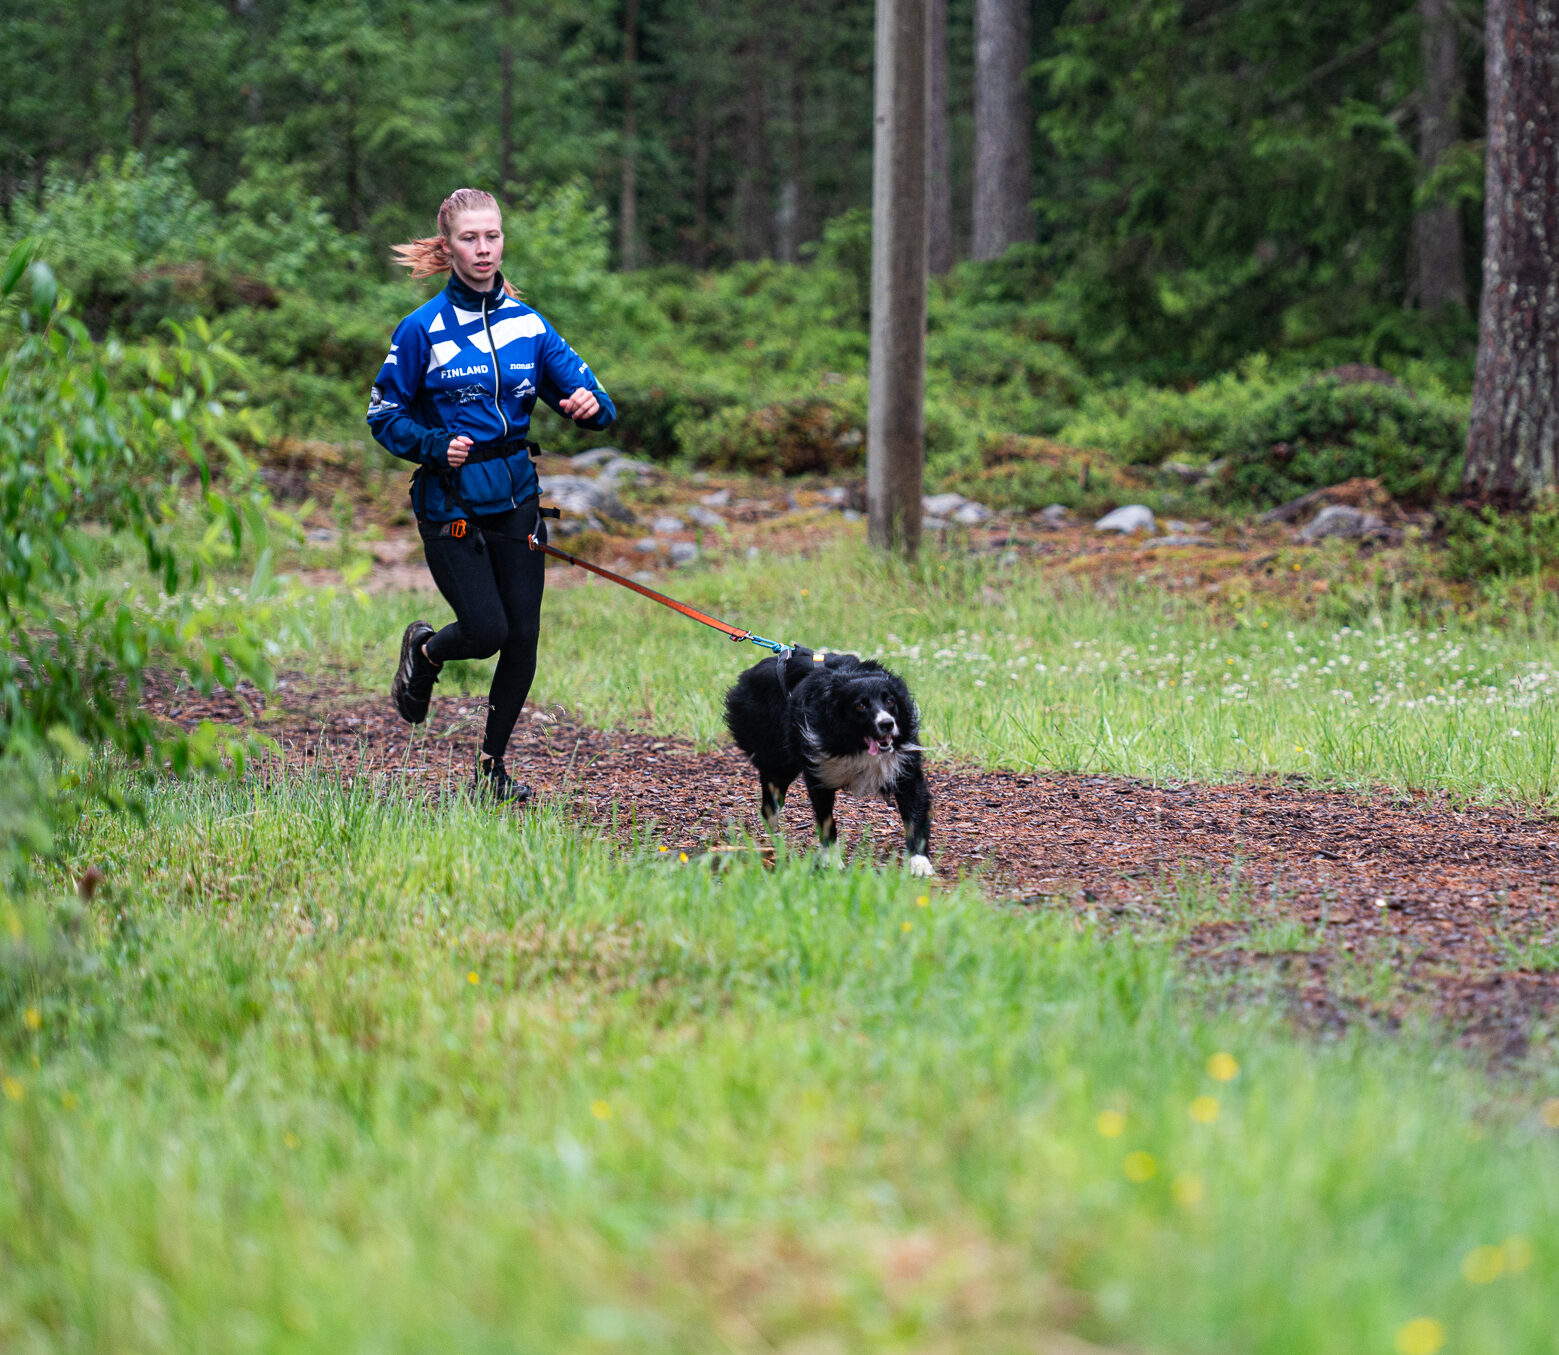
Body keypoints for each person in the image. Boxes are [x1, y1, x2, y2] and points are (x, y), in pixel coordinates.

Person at [367, 187, 616, 803]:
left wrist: (588, 407)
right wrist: (430, 444)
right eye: (470, 238)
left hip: (517, 500)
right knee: (485, 631)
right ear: (447, 246)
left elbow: (599, 402)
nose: (484, 249)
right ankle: (425, 653)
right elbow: (382, 415)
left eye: (493, 236)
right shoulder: (422, 329)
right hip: (450, 501)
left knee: (523, 640)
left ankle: (490, 771)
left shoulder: (528, 325)